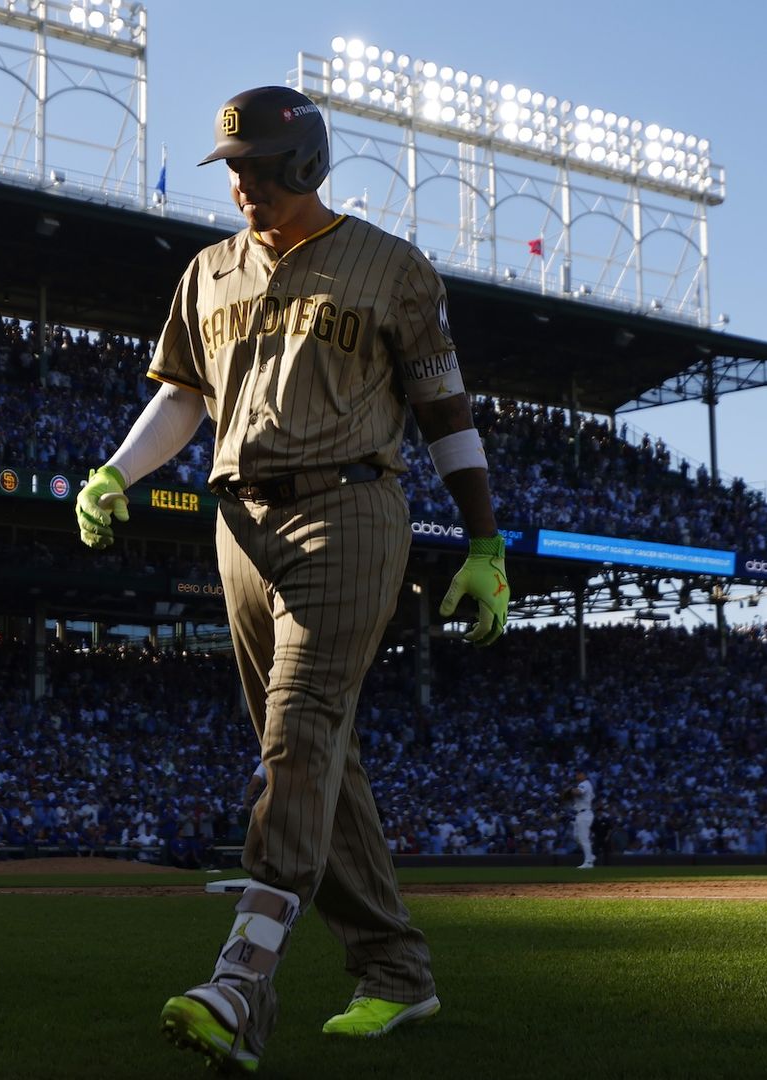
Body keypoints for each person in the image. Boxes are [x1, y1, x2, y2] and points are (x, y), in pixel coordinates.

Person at [75, 84, 510, 1073]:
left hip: (349, 508)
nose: (241, 186)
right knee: (322, 758)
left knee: (297, 732)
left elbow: (445, 412)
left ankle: (239, 981)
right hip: (238, 521)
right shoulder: (206, 272)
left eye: (258, 169)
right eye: (231, 168)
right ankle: (397, 971)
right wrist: (116, 470)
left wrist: (484, 545)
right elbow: (185, 397)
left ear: (306, 165)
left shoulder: (391, 268)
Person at [569, 770, 596, 869]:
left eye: (579, 774)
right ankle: (591, 856)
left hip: (584, 814)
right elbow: (591, 796)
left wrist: (570, 790)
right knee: (576, 836)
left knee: (584, 839)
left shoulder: (584, 784)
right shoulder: (586, 784)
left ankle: (589, 863)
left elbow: (578, 792)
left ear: (584, 775)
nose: (577, 775)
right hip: (581, 814)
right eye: (576, 774)